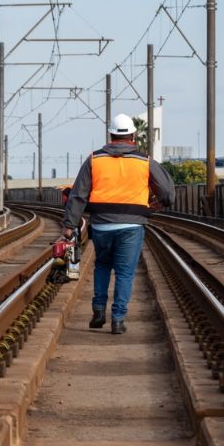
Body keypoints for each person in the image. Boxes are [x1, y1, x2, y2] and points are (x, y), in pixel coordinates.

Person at [61, 113, 175, 334]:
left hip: (102, 225)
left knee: (102, 265)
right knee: (124, 272)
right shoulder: (144, 161)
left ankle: (98, 310)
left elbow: (78, 195)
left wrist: (69, 225)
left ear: (111, 135)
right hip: (132, 227)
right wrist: (159, 205)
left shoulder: (94, 159)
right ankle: (118, 319)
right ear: (132, 135)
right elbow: (168, 191)